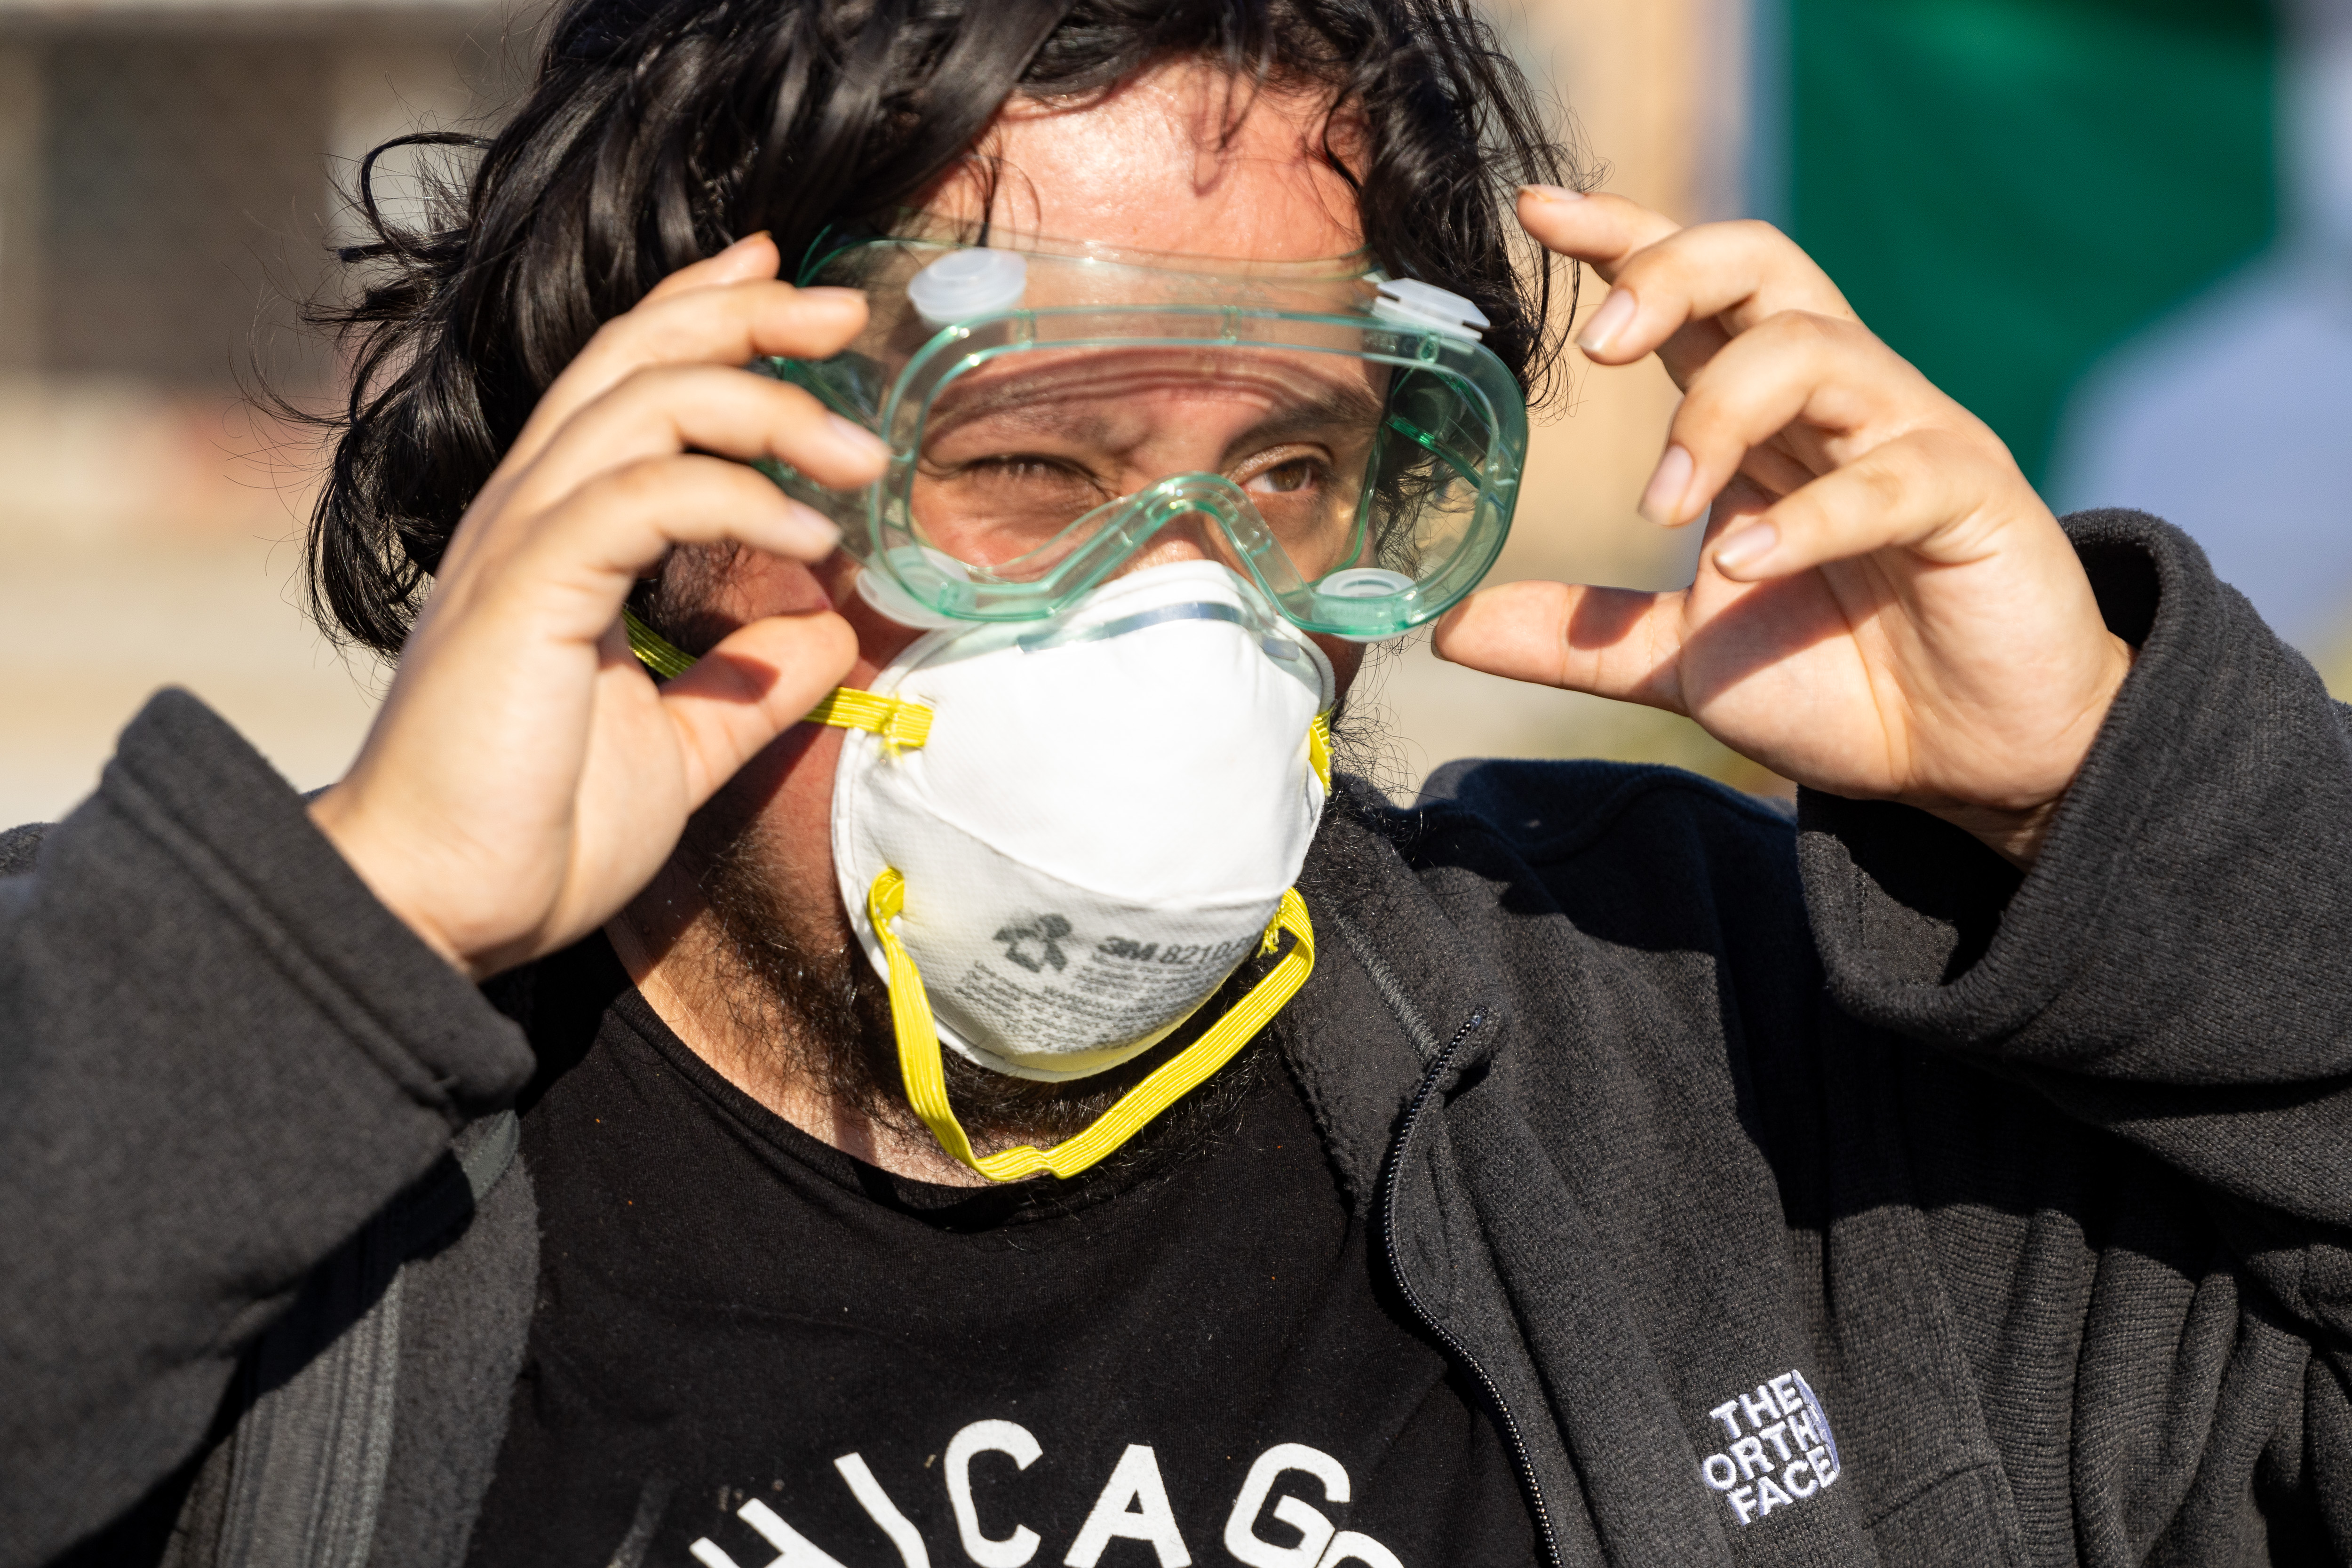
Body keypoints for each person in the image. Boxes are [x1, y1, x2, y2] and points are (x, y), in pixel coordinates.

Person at [4, 1, 2348, 1564]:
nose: (1185, 600)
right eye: (1021, 461)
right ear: (645, 469)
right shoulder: (248, 1150)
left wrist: (2122, 812)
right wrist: (362, 922)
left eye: (1300, 470)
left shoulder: (1728, 1095)